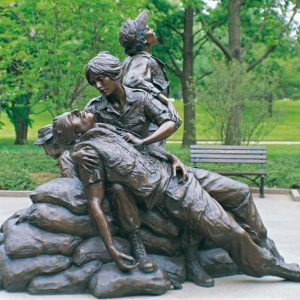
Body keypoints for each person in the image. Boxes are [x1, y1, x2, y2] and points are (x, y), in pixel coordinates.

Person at [52, 110, 300, 284]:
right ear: (72, 135)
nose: (78, 111)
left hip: (180, 172)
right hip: (171, 192)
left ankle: (262, 245)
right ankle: (268, 265)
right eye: (72, 117)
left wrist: (174, 158)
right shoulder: (86, 153)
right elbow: (95, 202)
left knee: (242, 192)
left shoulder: (103, 129)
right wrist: (112, 249)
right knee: (230, 232)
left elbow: (145, 148)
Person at [83, 51, 185, 274]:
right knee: (119, 189)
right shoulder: (94, 109)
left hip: (148, 161)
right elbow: (82, 134)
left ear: (115, 74)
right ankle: (137, 244)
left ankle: (191, 254)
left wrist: (145, 142)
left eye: (102, 79)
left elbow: (169, 122)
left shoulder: (141, 98)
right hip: (119, 171)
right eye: (94, 82)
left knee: (184, 191)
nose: (98, 86)